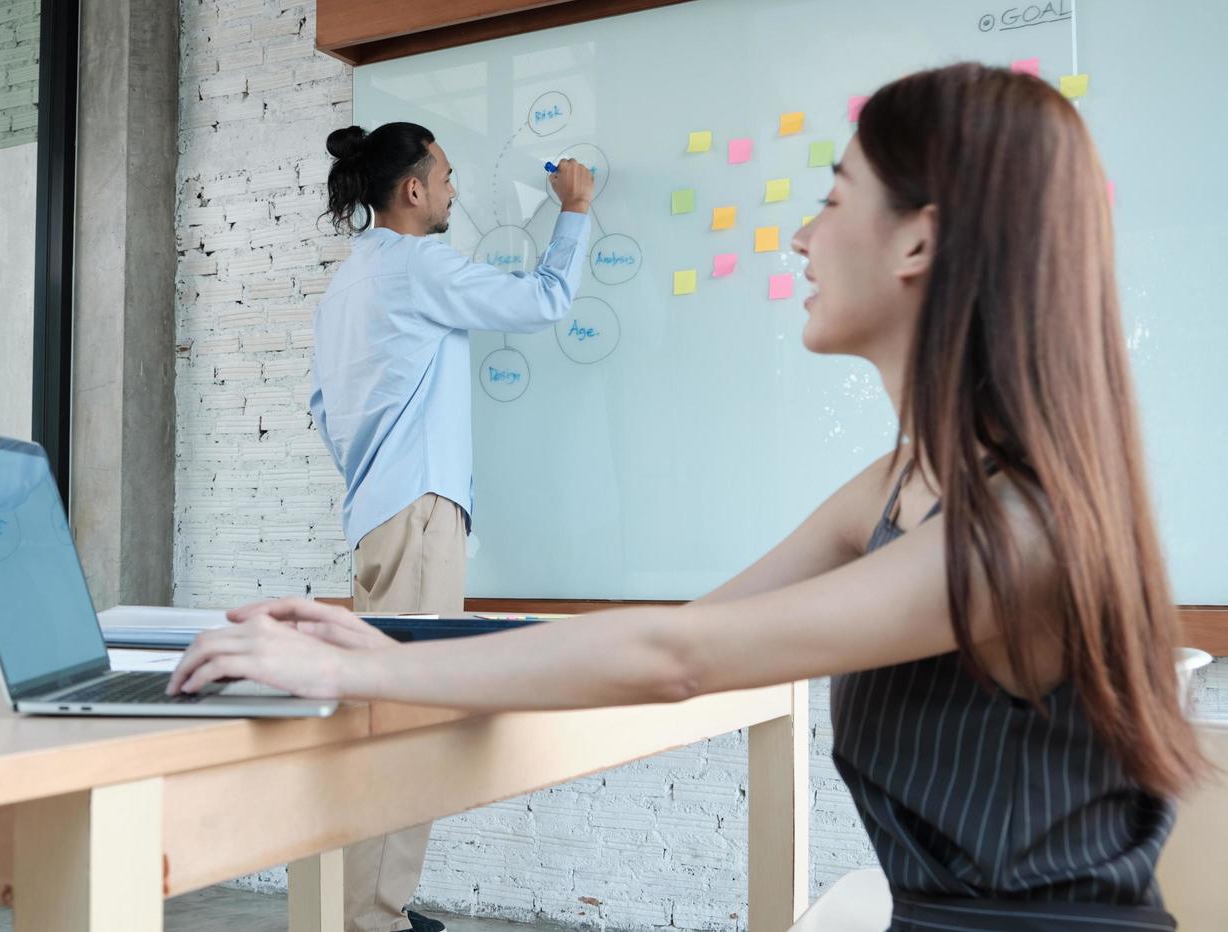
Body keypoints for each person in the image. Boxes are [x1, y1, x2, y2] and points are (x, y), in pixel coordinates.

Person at [172, 65, 1203, 930]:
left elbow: (680, 658)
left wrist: (367, 655)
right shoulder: (903, 485)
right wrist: (388, 649)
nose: (801, 238)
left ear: (920, 242)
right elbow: (696, 625)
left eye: (834, 198)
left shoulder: (1011, 533)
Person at [304, 121, 594, 932]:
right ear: (413, 190)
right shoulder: (419, 265)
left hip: (375, 514)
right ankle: (373, 920)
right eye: (448, 176)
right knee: (410, 724)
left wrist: (377, 472)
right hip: (420, 516)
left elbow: (324, 409)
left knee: (380, 719)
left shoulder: (349, 282)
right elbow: (543, 300)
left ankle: (366, 907)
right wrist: (573, 210)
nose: (457, 191)